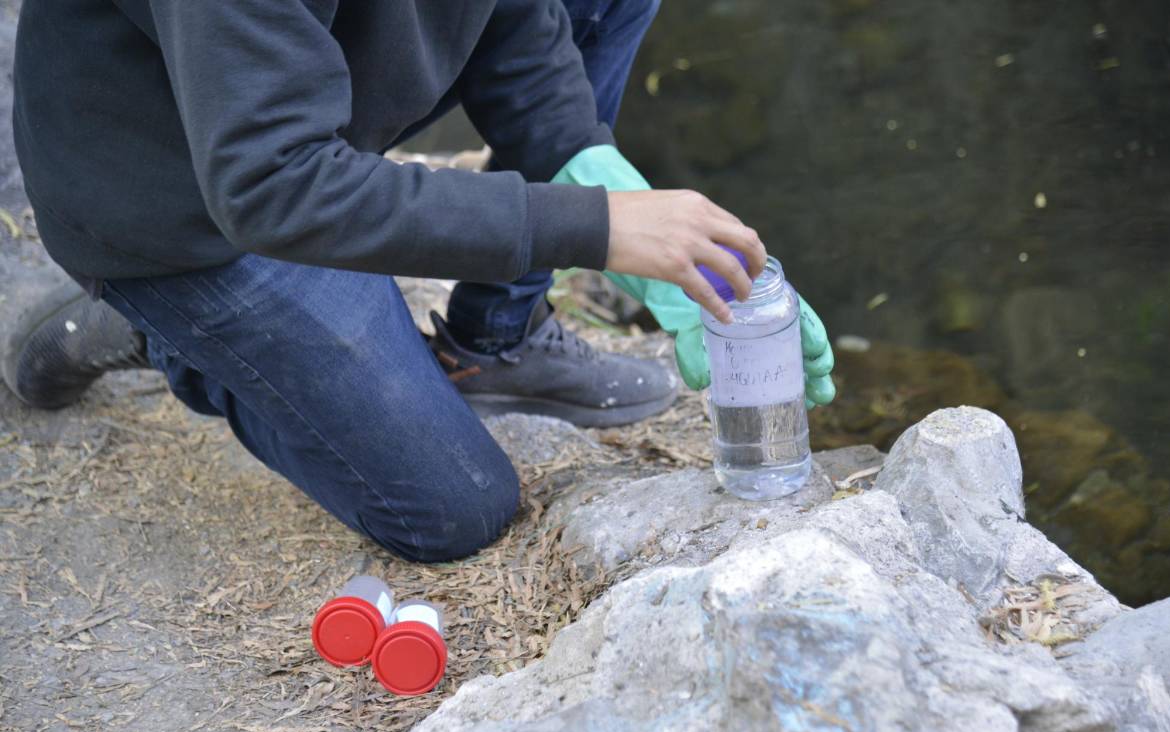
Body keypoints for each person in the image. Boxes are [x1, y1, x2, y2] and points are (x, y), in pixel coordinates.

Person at [5, 0, 835, 561]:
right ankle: (158, 326)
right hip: (178, 209)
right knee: (451, 509)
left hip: (301, 129)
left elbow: (518, 32)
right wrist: (601, 226)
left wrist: (613, 189)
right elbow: (276, 183)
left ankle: (496, 342)